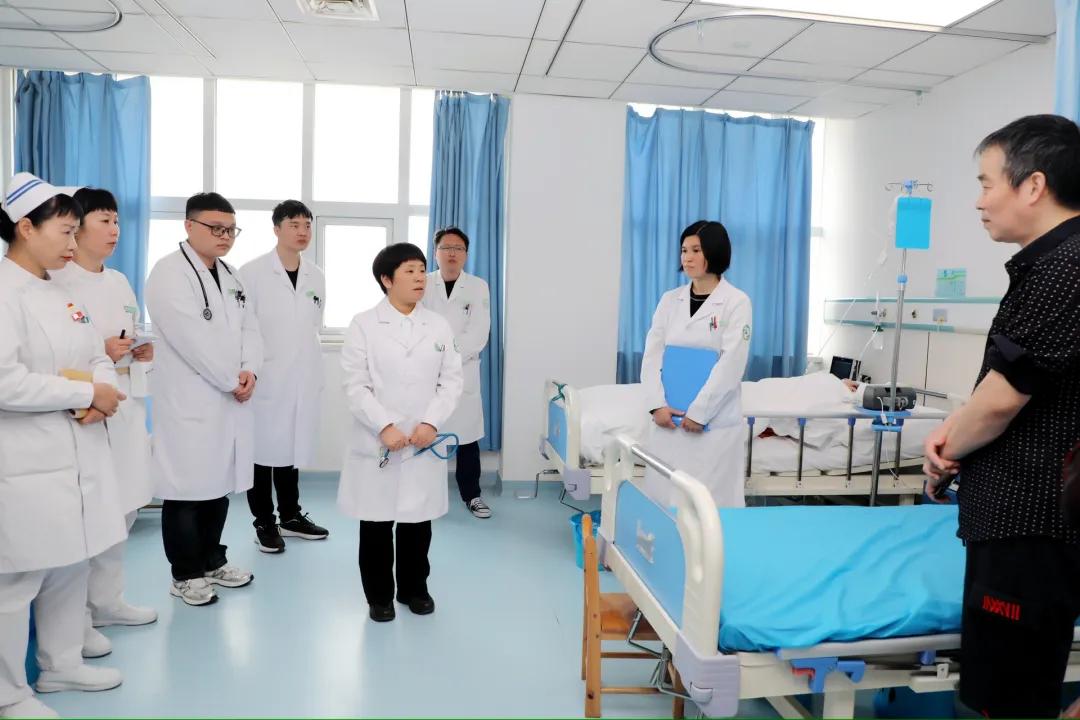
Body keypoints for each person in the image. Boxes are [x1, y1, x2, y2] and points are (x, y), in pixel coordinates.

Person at [923, 114, 1080, 719]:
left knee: (1006, 698)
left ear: (1033, 185)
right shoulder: (1054, 264)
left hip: (1027, 518)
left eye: (987, 183)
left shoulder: (1063, 269)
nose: (979, 201)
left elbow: (1000, 401)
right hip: (1034, 512)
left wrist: (944, 448)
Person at [0, 173, 127, 718]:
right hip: (27, 458)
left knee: (70, 562)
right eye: (65, 231)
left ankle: (62, 665)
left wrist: (104, 389)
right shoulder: (4, 293)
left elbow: (96, 353)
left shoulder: (61, 292)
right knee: (19, 578)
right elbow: (5, 381)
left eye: (77, 232)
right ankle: (9, 693)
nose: (73, 243)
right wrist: (85, 392)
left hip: (79, 448)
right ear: (25, 228)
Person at [52, 187, 158, 661]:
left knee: (125, 508)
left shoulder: (118, 281)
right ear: (76, 227)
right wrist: (103, 350)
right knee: (89, 515)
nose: (114, 230)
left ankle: (108, 601)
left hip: (126, 406)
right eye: (103, 221)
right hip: (86, 413)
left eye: (116, 221)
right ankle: (78, 616)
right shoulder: (58, 281)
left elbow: (129, 332)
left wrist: (140, 350)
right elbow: (59, 352)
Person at [145, 192, 262, 607]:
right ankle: (185, 574)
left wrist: (251, 370)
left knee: (218, 486)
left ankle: (213, 561)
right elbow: (190, 339)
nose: (224, 236)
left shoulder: (231, 275)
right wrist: (232, 379)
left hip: (230, 398)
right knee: (186, 491)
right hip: (190, 399)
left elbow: (251, 329)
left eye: (230, 229)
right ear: (189, 225)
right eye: (216, 228)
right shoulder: (168, 273)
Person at [338, 243, 463, 623]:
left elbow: (451, 381)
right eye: (409, 271)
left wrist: (431, 422)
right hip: (379, 441)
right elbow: (355, 385)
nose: (420, 277)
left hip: (422, 440)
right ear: (387, 279)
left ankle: (414, 589)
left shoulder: (438, 325)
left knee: (417, 522)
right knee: (376, 524)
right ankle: (379, 597)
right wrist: (384, 425)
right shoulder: (364, 324)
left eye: (422, 270)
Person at [640, 220, 752, 507]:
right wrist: (656, 405)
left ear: (714, 252)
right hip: (667, 420)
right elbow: (652, 355)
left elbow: (731, 363)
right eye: (683, 250)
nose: (687, 258)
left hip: (712, 425)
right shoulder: (670, 300)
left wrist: (700, 413)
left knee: (708, 508)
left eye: (695, 250)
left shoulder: (736, 302)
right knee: (663, 504)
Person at [240, 201, 328, 553]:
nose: (303, 231)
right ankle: (264, 522)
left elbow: (313, 325)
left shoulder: (316, 275)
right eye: (294, 224)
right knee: (261, 454)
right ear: (276, 228)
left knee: (291, 448)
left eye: (307, 224)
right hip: (265, 377)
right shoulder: (251, 272)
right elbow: (244, 327)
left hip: (302, 377)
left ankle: (290, 516)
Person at [422, 227, 492, 519]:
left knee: (467, 437)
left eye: (458, 248)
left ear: (466, 254)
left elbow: (479, 333)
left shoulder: (477, 287)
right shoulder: (423, 283)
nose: (452, 253)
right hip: (427, 372)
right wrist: (435, 356)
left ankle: (472, 495)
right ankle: (427, 495)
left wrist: (448, 356)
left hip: (463, 371)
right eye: (446, 247)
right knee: (427, 433)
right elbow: (417, 325)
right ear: (435, 252)